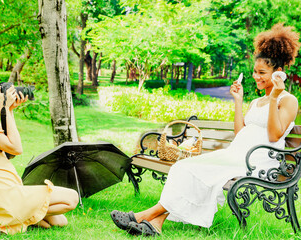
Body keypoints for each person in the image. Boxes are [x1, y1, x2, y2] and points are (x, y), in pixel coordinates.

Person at [110, 23, 301, 236]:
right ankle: (156, 224)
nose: (256, 77)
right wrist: (238, 101)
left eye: (262, 73)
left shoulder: (287, 100)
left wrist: (274, 97)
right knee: (183, 168)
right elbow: (241, 134)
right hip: (237, 154)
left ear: (279, 73)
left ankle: (142, 216)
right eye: (255, 72)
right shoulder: (257, 101)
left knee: (197, 171)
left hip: (260, 161)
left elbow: (275, 135)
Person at [0, 63, 79, 234]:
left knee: (59, 221)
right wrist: (5, 108)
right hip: (1, 193)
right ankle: (10, 216)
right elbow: (16, 148)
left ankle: (12, 218)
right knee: (72, 198)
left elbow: (9, 152)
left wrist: (9, 110)